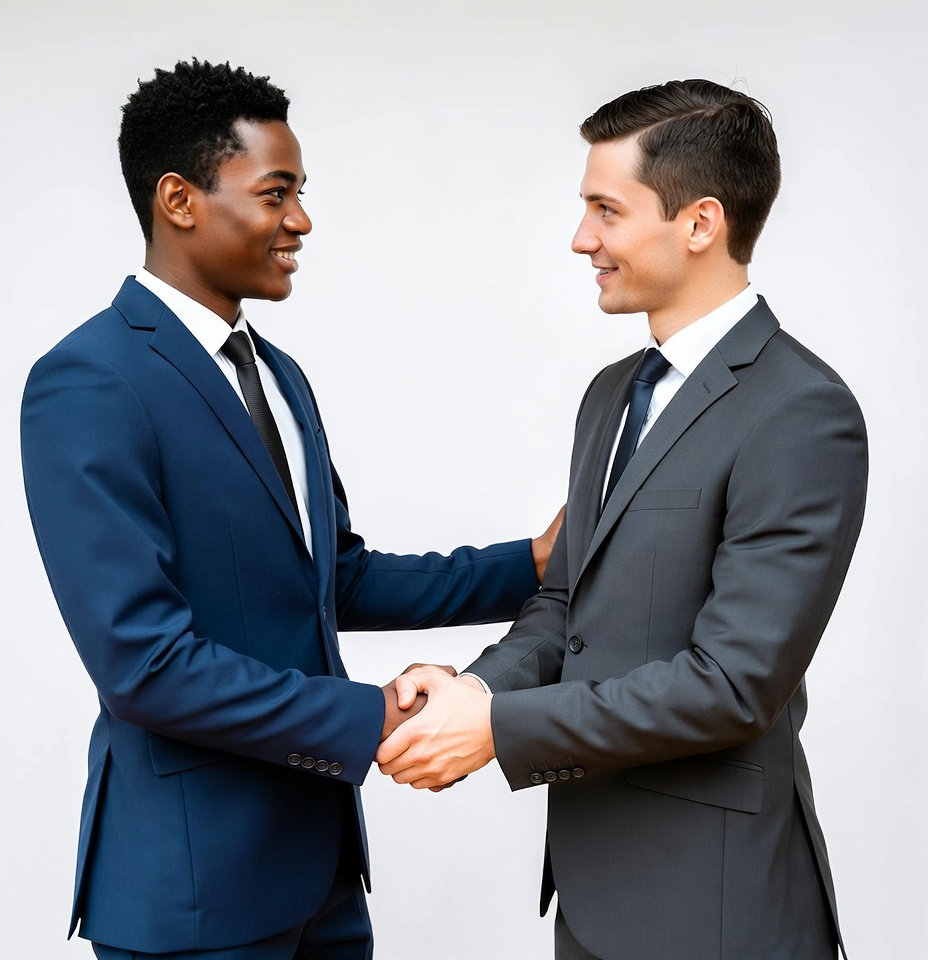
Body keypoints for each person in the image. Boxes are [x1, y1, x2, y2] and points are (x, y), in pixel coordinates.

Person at [21, 59, 561, 960]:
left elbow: (330, 579)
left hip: (322, 875)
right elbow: (142, 664)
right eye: (277, 194)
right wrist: (369, 716)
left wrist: (531, 564)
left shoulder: (278, 375)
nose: (301, 221)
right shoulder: (90, 381)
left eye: (300, 194)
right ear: (179, 200)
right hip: (191, 894)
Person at [378, 79, 868, 959]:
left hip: (717, 907)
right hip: (594, 895)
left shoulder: (802, 410)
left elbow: (733, 684)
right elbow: (565, 602)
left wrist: (497, 731)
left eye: (606, 210)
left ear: (700, 223)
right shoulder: (610, 397)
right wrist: (477, 689)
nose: (581, 239)